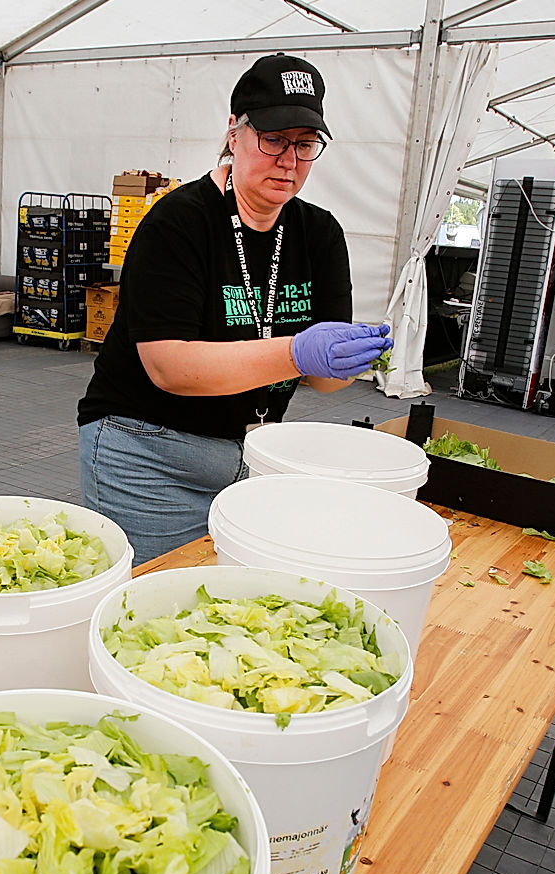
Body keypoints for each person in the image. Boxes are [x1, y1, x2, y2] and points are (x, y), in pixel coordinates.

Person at [77, 53, 391, 565]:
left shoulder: (320, 234)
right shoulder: (179, 222)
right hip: (148, 451)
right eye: (273, 140)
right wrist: (297, 352)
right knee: (160, 604)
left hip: (256, 456)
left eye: (306, 145)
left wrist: (349, 360)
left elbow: (326, 382)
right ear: (234, 132)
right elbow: (170, 367)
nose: (288, 161)